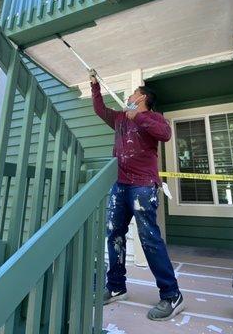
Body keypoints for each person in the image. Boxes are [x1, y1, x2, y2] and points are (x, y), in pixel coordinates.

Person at [90, 71, 185, 321]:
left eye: (132, 94)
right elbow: (100, 110)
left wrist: (140, 117)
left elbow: (165, 135)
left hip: (142, 186)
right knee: (115, 235)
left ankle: (172, 295)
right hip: (120, 185)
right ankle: (117, 286)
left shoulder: (153, 117)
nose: (129, 97)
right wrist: (95, 86)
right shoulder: (121, 118)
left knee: (149, 238)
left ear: (142, 97)